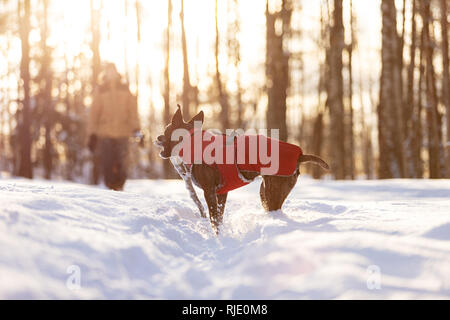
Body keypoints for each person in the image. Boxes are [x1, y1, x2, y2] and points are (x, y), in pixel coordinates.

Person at [87, 63, 142, 191]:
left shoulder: (124, 88)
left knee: (123, 166)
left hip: (123, 133)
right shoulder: (101, 90)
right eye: (109, 71)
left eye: (113, 71)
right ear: (105, 73)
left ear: (116, 72)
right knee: (108, 165)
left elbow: (132, 110)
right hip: (105, 134)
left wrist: (137, 129)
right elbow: (94, 113)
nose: (111, 74)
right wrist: (92, 134)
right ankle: (111, 189)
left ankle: (119, 188)